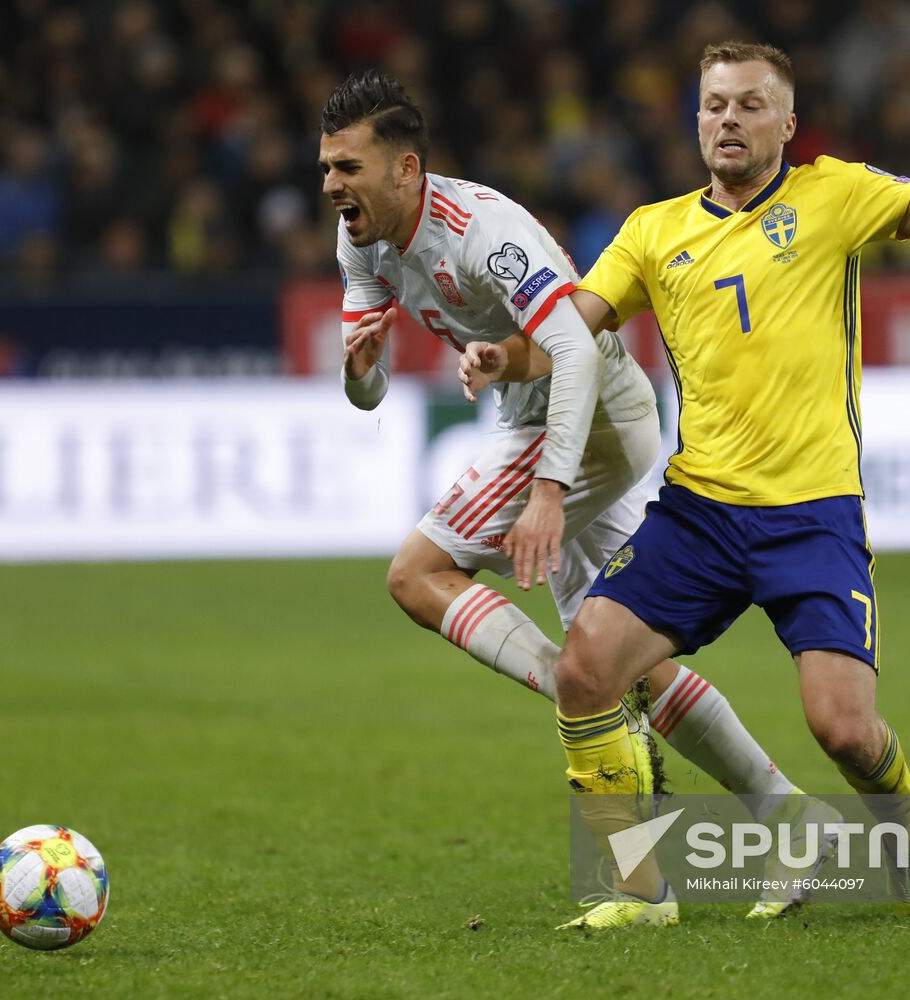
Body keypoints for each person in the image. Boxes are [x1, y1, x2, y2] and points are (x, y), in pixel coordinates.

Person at [461, 40, 910, 930]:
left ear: (787, 124)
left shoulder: (834, 195)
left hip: (812, 517)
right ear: (695, 121)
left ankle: (907, 834)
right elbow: (569, 331)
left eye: (750, 104)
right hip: (699, 513)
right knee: (583, 672)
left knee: (843, 729)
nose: (729, 119)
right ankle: (640, 895)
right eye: (714, 104)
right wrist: (503, 356)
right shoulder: (652, 231)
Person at [323, 70, 826, 925]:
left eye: (348, 167)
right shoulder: (361, 243)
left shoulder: (483, 232)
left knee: (417, 575)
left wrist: (551, 490)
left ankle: (587, 718)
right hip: (547, 421)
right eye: (327, 168)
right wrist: (359, 369)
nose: (333, 185)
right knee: (628, 664)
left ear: (406, 168)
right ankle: (785, 821)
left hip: (591, 419)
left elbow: (578, 348)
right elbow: (366, 394)